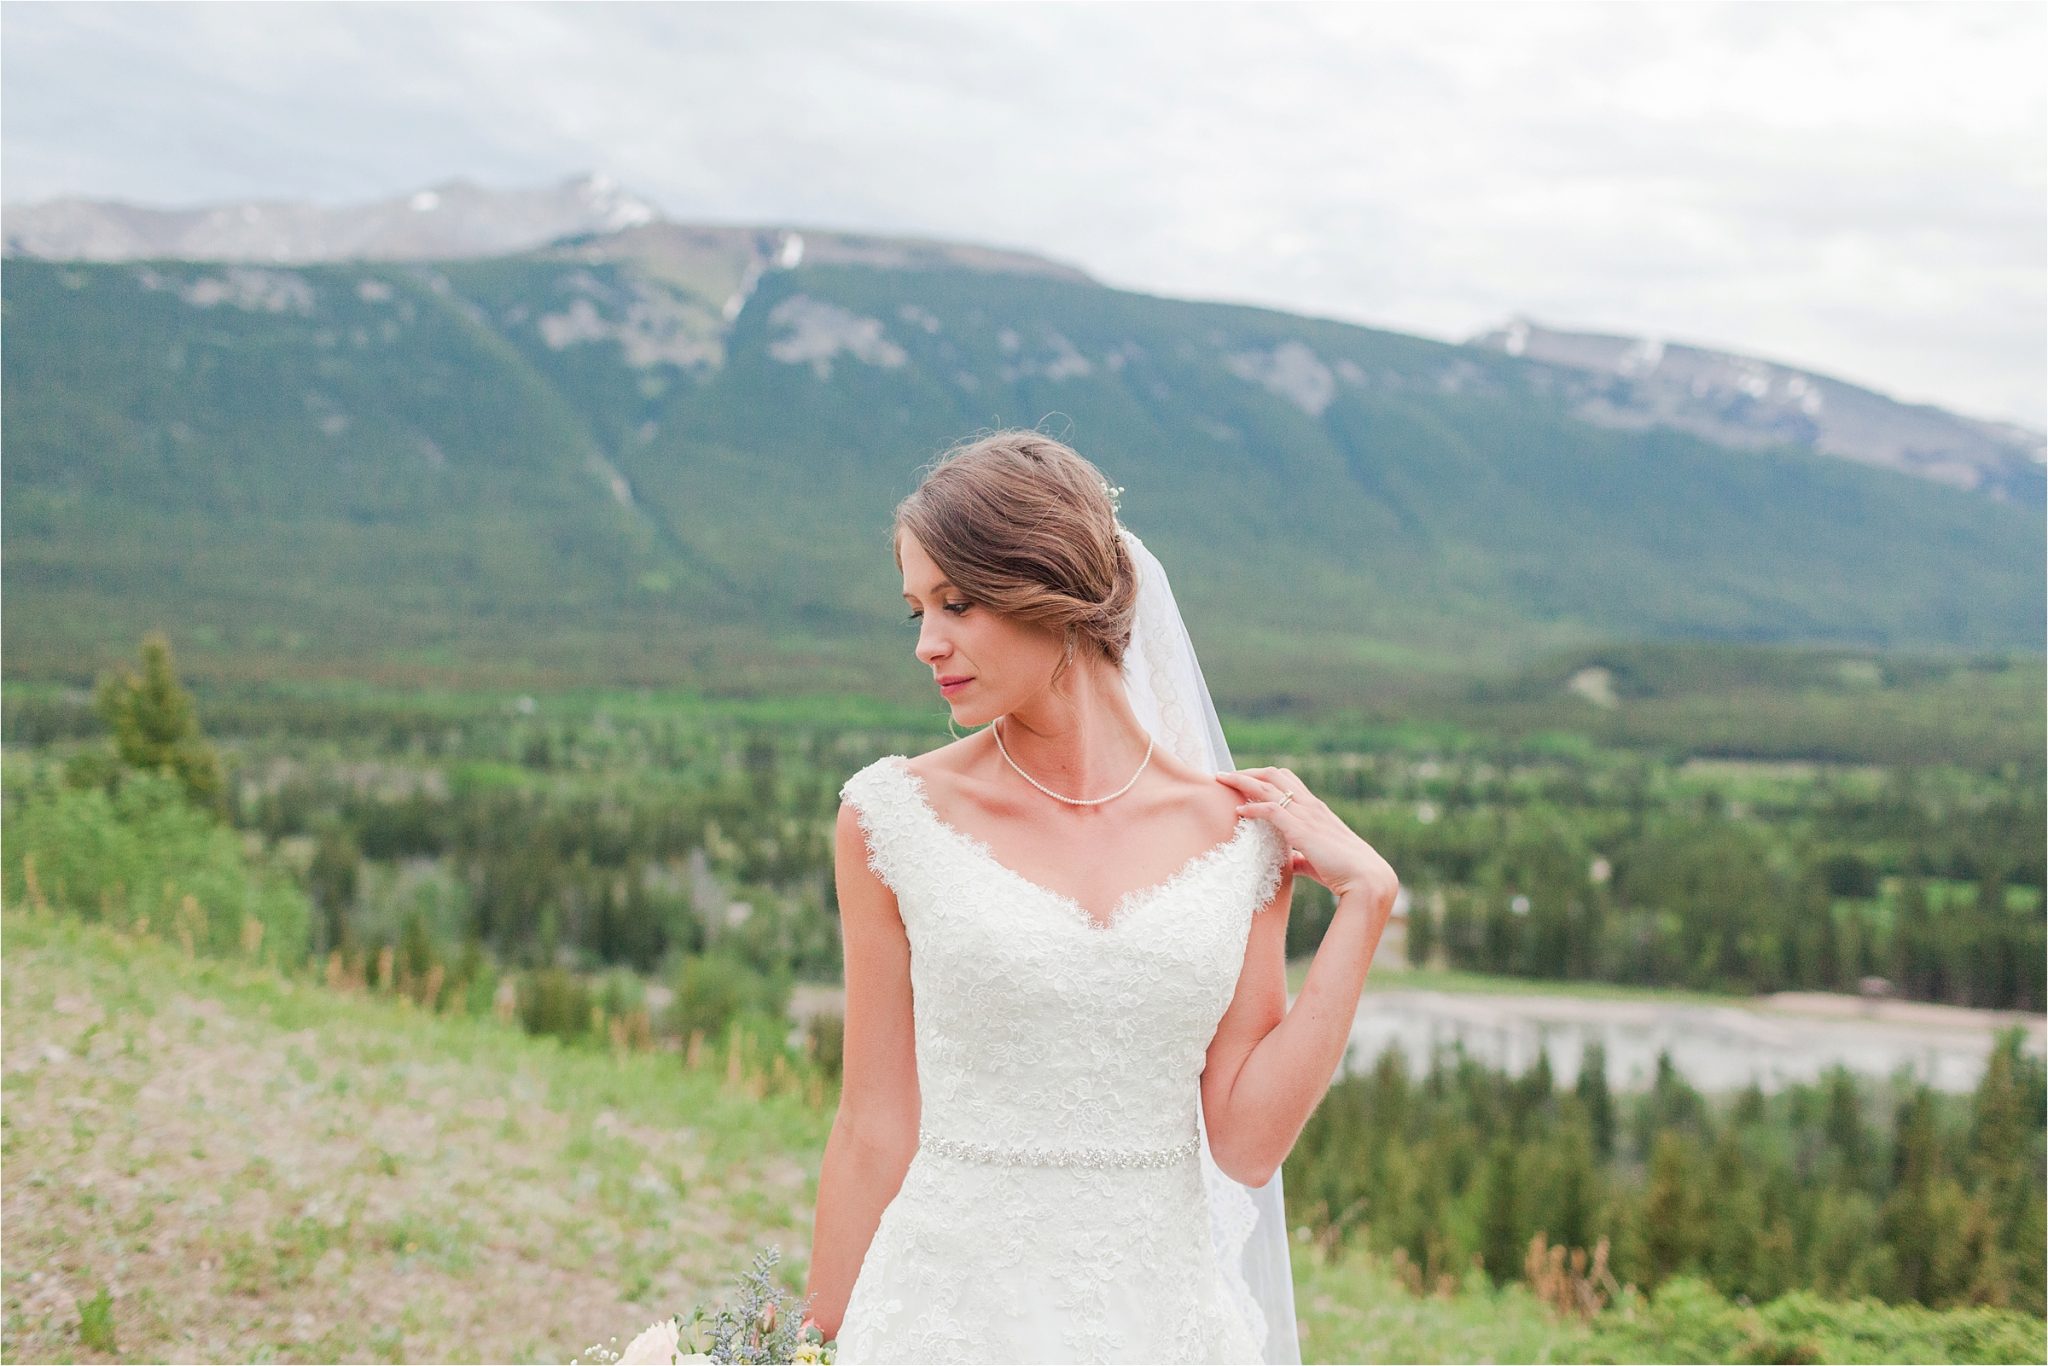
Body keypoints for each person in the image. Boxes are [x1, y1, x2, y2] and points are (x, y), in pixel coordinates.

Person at [803, 431, 1399, 1364]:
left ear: (1054, 590)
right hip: (945, 1316)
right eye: (917, 609)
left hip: (1162, 1323)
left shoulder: (1240, 839)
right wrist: (815, 1343)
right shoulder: (891, 818)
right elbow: (874, 1123)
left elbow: (1244, 1145)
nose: (926, 644)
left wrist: (1365, 903)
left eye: (958, 603)